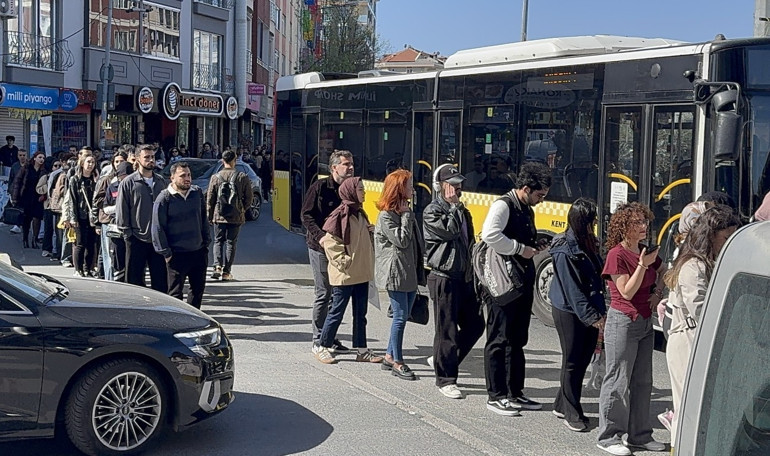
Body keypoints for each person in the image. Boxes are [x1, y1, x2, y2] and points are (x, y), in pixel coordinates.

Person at [663, 205, 739, 444]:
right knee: (687, 409)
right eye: (725, 238)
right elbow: (701, 307)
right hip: (687, 339)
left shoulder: (708, 261)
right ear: (711, 234)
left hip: (696, 337)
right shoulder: (693, 265)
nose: (726, 243)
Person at [481, 161, 551, 416]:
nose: (541, 200)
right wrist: (520, 249)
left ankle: (514, 392)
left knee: (517, 339)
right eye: (539, 195)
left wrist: (535, 244)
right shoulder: (504, 205)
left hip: (521, 281)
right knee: (499, 338)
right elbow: (490, 235)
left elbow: (522, 239)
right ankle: (495, 395)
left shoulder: (524, 207)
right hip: (502, 283)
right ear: (525, 188)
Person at [597, 202, 666, 456]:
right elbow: (626, 291)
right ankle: (608, 436)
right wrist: (642, 265)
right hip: (623, 321)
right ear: (624, 227)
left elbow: (664, 269)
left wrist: (657, 293)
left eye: (644, 221)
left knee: (643, 381)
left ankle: (639, 435)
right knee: (618, 380)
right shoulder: (617, 254)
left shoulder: (644, 251)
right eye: (637, 222)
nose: (644, 226)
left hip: (645, 321)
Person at [423, 163, 485, 399]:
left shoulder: (462, 211)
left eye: (459, 185)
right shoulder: (433, 211)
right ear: (442, 186)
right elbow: (447, 232)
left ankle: (442, 359)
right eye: (453, 185)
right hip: (444, 276)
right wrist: (453, 207)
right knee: (446, 329)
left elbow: (468, 240)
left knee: (476, 324)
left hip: (464, 276)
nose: (458, 190)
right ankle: (446, 379)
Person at [548, 198, 607, 432]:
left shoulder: (588, 242)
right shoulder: (565, 248)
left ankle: (561, 403)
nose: (594, 224)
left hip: (586, 308)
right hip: (569, 311)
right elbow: (572, 290)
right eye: (591, 220)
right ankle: (572, 411)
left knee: (583, 359)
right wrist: (593, 317)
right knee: (572, 361)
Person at [316, 177, 382, 365]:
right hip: (345, 275)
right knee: (337, 312)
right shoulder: (340, 214)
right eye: (360, 190)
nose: (364, 193)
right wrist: (345, 261)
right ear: (351, 192)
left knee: (360, 315)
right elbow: (330, 242)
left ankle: (362, 350)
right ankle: (323, 346)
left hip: (361, 273)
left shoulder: (360, 213)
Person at [374, 169, 425, 380]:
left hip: (409, 271)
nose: (413, 188)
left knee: (404, 315)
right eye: (409, 185)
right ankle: (397, 361)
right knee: (400, 317)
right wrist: (406, 216)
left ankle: (388, 355)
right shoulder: (387, 216)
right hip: (395, 273)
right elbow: (402, 241)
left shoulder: (405, 213)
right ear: (398, 189)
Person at [303, 150, 354, 355]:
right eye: (346, 164)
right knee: (324, 293)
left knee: (337, 294)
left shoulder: (350, 188)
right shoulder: (320, 187)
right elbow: (306, 215)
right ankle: (318, 339)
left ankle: (329, 336)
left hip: (341, 247)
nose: (350, 168)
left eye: (351, 164)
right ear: (334, 168)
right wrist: (320, 236)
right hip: (320, 247)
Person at [152, 162, 210, 309]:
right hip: (176, 255)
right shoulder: (164, 198)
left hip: (198, 252)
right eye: (182, 175)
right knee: (175, 293)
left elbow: (204, 219)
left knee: (197, 291)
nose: (187, 178)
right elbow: (158, 227)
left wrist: (205, 243)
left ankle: (194, 320)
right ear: (172, 177)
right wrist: (166, 253)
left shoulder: (196, 193)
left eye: (189, 175)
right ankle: (177, 321)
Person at [116, 145, 168, 292]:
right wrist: (128, 234)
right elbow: (122, 211)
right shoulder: (129, 182)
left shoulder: (161, 182)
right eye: (147, 157)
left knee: (160, 281)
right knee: (134, 281)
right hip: (136, 238)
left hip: (158, 239)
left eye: (152, 157)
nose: (151, 160)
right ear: (138, 159)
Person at [207, 149, 253, 281]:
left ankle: (217, 267)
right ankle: (227, 272)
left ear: (222, 161)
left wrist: (210, 216)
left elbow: (210, 198)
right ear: (235, 160)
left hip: (219, 215)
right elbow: (249, 198)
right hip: (236, 215)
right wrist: (242, 209)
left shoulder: (215, 177)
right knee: (231, 242)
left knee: (218, 241)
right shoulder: (242, 177)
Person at [93, 152, 127, 280]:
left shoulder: (129, 179)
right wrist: (96, 221)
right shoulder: (108, 180)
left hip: (124, 223)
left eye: (121, 161)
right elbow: (97, 202)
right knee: (108, 254)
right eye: (116, 161)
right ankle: (108, 279)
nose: (119, 164)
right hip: (108, 221)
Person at [63, 154, 99, 277]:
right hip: (80, 216)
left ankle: (88, 269)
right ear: (82, 163)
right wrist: (73, 218)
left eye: (93, 162)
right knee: (80, 243)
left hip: (92, 217)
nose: (90, 164)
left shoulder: (95, 179)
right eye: (88, 162)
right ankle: (78, 270)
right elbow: (72, 199)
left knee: (91, 244)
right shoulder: (75, 179)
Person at [11, 151, 46, 248]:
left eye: (43, 158)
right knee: (26, 218)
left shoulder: (43, 170)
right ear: (34, 158)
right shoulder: (26, 168)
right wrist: (15, 197)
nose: (41, 159)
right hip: (26, 195)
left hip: (38, 197)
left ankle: (35, 239)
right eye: (39, 157)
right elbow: (17, 182)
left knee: (37, 218)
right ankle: (25, 238)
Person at [103, 161, 131, 282]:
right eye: (121, 177)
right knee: (117, 257)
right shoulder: (112, 186)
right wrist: (119, 206)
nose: (123, 180)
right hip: (116, 227)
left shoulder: (136, 186)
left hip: (132, 228)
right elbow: (105, 208)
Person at [7, 149, 27, 234]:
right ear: (18, 156)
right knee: (17, 208)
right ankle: (17, 224)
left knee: (25, 209)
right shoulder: (15, 166)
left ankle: (23, 224)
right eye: (20, 155)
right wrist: (10, 191)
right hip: (16, 190)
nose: (22, 157)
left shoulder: (29, 165)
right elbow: (11, 179)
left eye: (23, 155)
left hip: (26, 190)